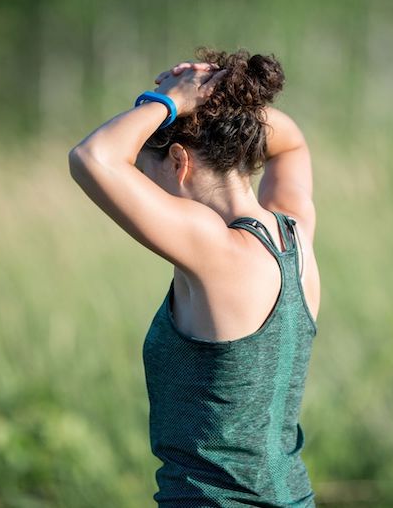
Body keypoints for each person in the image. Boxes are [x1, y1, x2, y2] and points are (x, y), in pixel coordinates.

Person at [68, 47, 320, 506]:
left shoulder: (217, 248)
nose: (145, 194)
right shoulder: (295, 233)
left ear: (179, 162)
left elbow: (94, 158)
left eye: (145, 176)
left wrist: (169, 101)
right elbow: (292, 141)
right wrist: (220, 95)